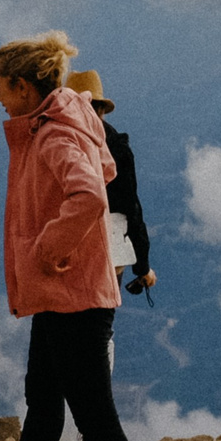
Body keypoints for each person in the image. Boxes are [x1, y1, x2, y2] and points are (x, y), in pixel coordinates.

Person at [0, 32, 144, 441]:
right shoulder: (52, 126)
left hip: (76, 295)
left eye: (1, 87)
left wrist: (46, 250)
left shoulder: (56, 137)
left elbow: (87, 197)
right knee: (42, 386)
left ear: (23, 85)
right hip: (63, 293)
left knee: (94, 413)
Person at [64, 71, 154, 297]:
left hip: (65, 253)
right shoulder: (116, 147)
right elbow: (131, 207)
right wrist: (142, 266)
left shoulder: (57, 142)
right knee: (99, 322)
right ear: (101, 109)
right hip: (108, 251)